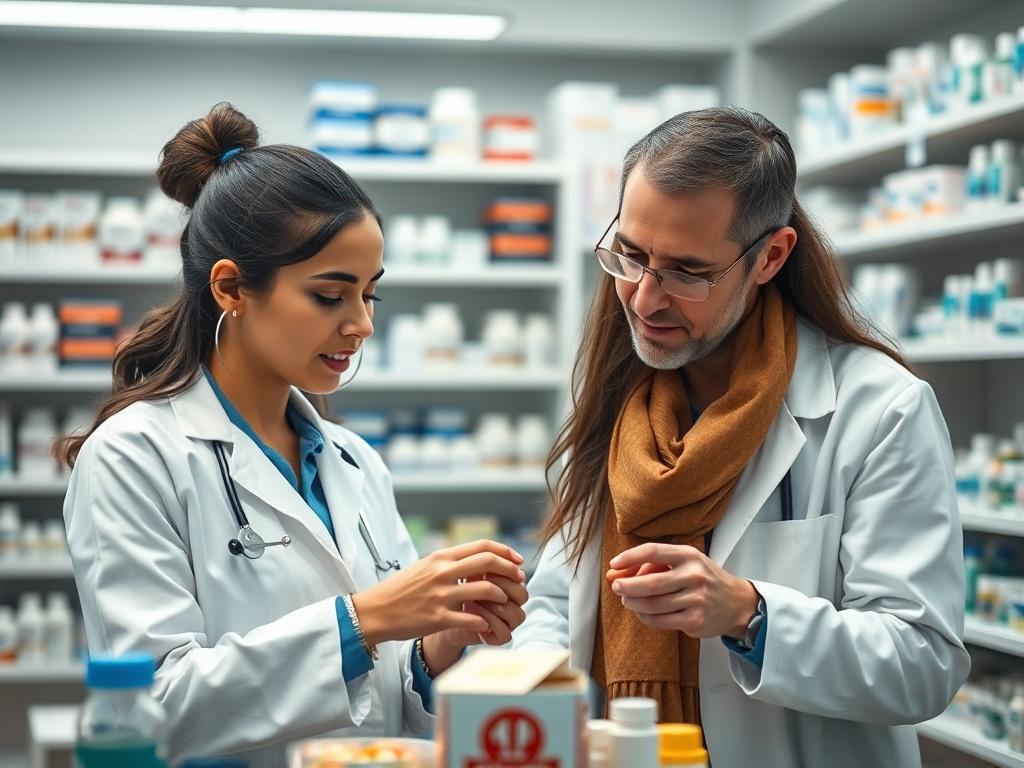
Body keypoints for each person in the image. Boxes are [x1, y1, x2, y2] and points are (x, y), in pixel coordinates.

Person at [59, 103, 528, 768]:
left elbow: (382, 701)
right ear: (232, 289)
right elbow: (154, 706)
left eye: (371, 295)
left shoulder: (355, 464)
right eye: (329, 296)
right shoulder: (133, 457)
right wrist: (365, 620)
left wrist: (437, 647)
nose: (362, 324)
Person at [514, 107, 969, 767]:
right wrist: (538, 683)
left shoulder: (879, 410)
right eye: (631, 255)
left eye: (687, 272)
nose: (644, 300)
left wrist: (750, 615)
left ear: (770, 257)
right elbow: (559, 600)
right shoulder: (625, 397)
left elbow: (923, 663)